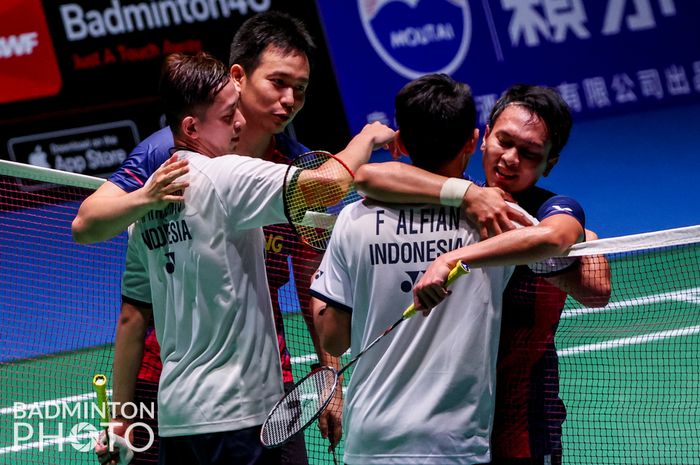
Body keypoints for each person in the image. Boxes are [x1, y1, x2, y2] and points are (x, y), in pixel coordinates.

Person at [75, 12, 344, 463]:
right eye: (278, 82)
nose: (289, 99)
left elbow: (312, 283)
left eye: (300, 88)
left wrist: (328, 378)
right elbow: (95, 234)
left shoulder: (294, 167)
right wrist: (145, 196)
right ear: (238, 78)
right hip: (163, 377)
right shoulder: (169, 154)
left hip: (259, 381)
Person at [110, 52, 393, 465]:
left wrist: (118, 417)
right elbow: (326, 187)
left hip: (177, 419)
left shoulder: (146, 201)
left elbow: (131, 313)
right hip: (238, 415)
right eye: (229, 115)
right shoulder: (227, 174)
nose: (240, 122)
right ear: (192, 127)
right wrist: (366, 138)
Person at [354, 84, 612, 465]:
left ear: (549, 164)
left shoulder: (552, 209)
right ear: (485, 135)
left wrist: (457, 257)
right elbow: (369, 177)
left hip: (524, 413)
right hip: (453, 411)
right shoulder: (460, 198)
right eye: (504, 141)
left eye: (529, 154)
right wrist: (468, 195)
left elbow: (593, 283)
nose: (510, 159)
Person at [310, 74, 550, 465]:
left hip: (371, 440)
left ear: (399, 144)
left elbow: (334, 341)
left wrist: (323, 298)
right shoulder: (496, 220)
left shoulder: (352, 220)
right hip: (455, 443)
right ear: (474, 141)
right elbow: (579, 271)